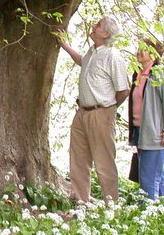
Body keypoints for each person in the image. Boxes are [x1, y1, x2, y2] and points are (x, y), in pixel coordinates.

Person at [55, 16, 129, 202]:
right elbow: (82, 61)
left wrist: (106, 110)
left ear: (105, 33)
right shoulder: (92, 52)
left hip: (101, 113)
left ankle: (111, 205)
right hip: (82, 113)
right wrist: (65, 46)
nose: (93, 25)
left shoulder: (112, 56)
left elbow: (123, 90)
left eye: (98, 25)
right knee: (78, 159)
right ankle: (81, 202)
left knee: (104, 162)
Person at [128, 38, 164, 200]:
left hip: (155, 133)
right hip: (140, 132)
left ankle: (147, 216)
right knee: (157, 173)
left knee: (148, 177)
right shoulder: (138, 74)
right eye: (139, 48)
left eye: (145, 49)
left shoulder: (160, 74)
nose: (140, 52)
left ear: (154, 54)